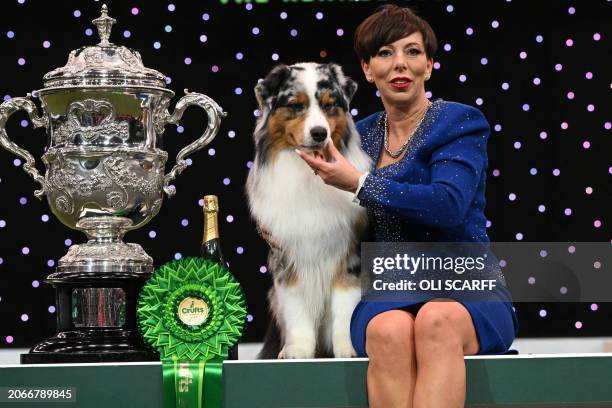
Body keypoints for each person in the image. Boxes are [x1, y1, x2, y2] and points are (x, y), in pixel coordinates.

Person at [294, 5, 519, 408]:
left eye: (413, 52)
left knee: (436, 319)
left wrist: (359, 182)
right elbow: (337, 225)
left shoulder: (459, 122)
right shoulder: (355, 137)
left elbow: (447, 205)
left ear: (429, 66)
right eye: (384, 52)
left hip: (465, 289)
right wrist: (290, 231)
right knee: (389, 330)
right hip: (387, 292)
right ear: (366, 69)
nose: (400, 63)